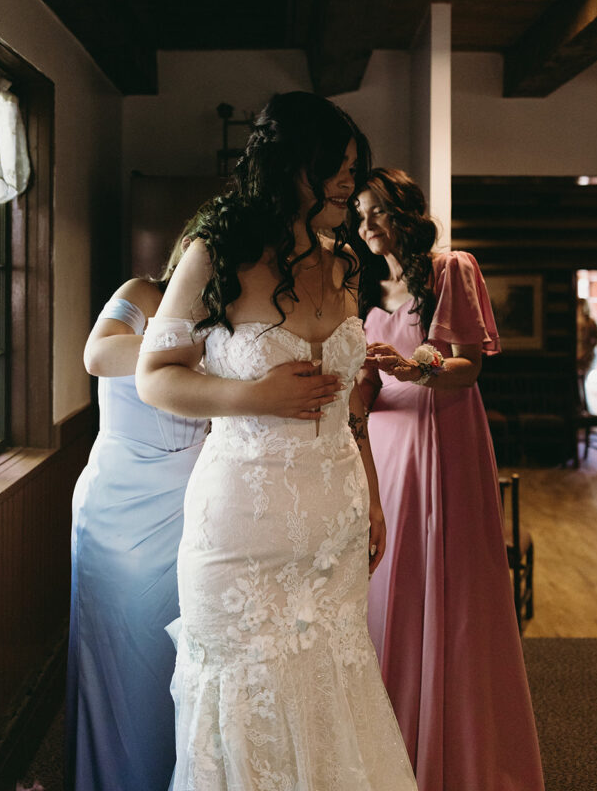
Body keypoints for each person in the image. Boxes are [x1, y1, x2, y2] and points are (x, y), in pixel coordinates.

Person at [136, 92, 417, 791]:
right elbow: (153, 377)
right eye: (334, 166)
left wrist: (374, 497)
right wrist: (251, 396)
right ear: (287, 164)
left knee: (333, 688)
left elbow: (352, 406)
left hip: (335, 522)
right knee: (242, 700)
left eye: (353, 167)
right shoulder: (217, 253)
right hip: (241, 526)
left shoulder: (345, 264)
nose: (348, 184)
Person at [353, 167, 544, 791]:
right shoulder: (361, 287)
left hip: (442, 438)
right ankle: (393, 742)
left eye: (377, 210)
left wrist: (416, 369)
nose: (366, 224)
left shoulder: (450, 269)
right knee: (390, 580)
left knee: (447, 581)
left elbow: (467, 368)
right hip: (386, 442)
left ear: (404, 210)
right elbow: (366, 386)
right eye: (359, 213)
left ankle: (452, 741)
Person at [66, 234, 209, 791]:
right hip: (118, 506)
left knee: (179, 660)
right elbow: (98, 354)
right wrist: (186, 345)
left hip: (191, 507)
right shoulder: (141, 293)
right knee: (117, 662)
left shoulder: (226, 315)